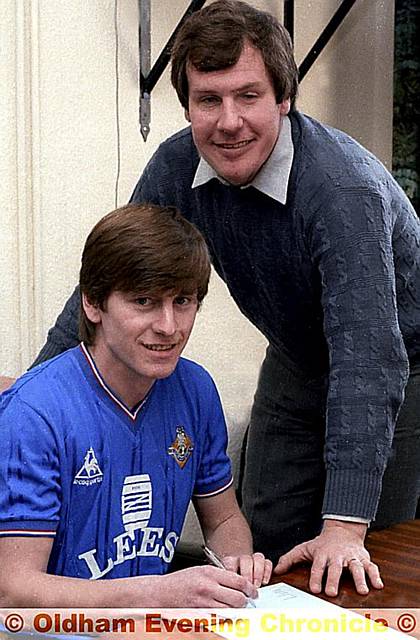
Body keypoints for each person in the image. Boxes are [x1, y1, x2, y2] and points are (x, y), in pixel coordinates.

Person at [29, 0, 420, 598]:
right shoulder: (177, 164)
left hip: (400, 369)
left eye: (248, 96)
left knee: (360, 569)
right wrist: (30, 403)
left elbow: (369, 359)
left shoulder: (342, 191)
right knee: (262, 560)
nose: (228, 121)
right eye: (209, 100)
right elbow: (107, 280)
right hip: (295, 359)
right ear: (187, 106)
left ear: (284, 98)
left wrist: (344, 526)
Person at [0, 203, 272, 607]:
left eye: (183, 301)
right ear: (93, 304)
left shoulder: (195, 389)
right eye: (143, 301)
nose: (168, 326)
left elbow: (225, 518)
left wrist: (235, 563)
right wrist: (157, 594)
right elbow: (13, 590)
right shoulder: (34, 413)